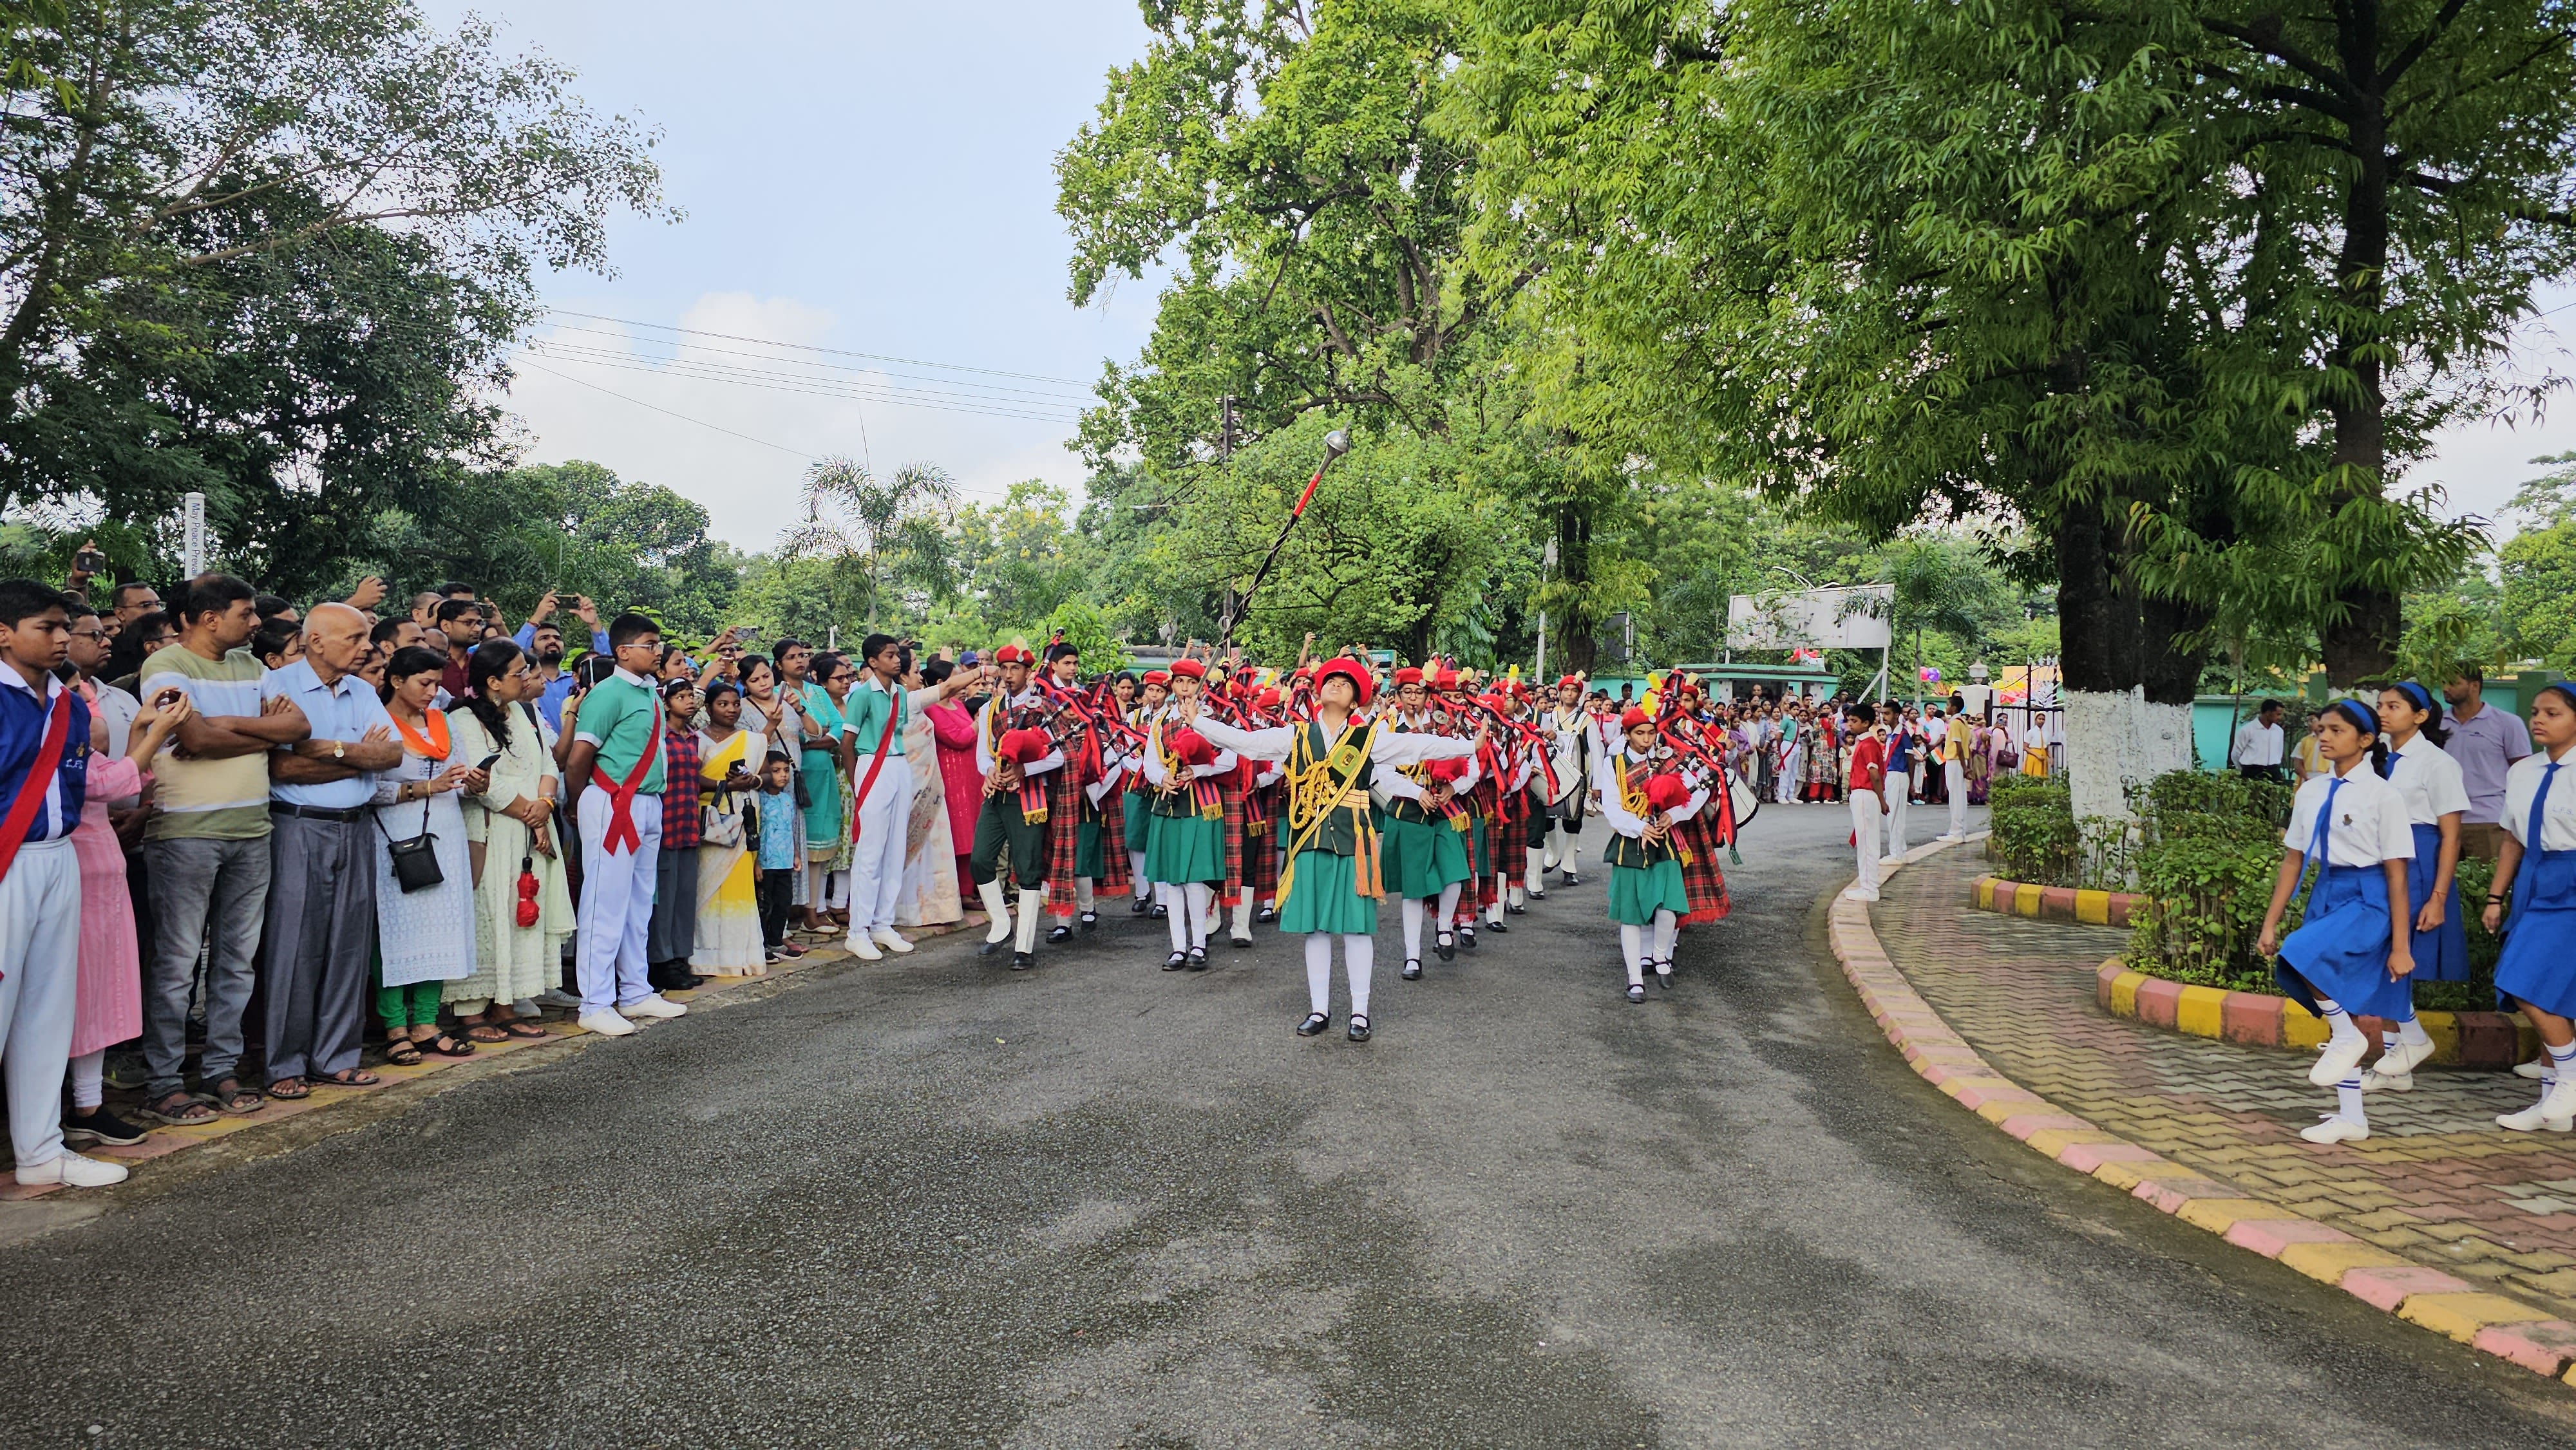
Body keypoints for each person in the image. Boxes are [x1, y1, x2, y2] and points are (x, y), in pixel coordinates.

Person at [1185, 658, 1479, 1042]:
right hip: (1310, 841)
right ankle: (1319, 1010)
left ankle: (1360, 1014)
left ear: (1355, 700)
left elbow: (1419, 744)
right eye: (1330, 681)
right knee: (1316, 930)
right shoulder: (1296, 735)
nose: (1335, 685)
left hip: (1354, 843)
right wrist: (1198, 722)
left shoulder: (1369, 738)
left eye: (1345, 683)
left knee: (1356, 930)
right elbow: (1248, 744)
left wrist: (1471, 744)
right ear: (1318, 693)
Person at [137, 574, 308, 1124]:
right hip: (185, 833)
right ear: (210, 618)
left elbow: (298, 726)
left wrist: (225, 724)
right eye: (246, 613)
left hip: (253, 830)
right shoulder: (165, 666)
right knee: (177, 965)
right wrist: (259, 730)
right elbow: (194, 739)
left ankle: (221, 1070)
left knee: (236, 963)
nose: (256, 623)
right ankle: (164, 1083)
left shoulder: (249, 666)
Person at [0, 581, 123, 1186]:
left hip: (59, 856)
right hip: (8, 863)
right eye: (46, 627)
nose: (60, 639)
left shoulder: (70, 706)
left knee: (48, 1009)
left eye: (64, 628)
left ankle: (41, 1152)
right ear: (4, 633)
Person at [260, 604, 406, 1098]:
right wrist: (360, 756)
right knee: (294, 948)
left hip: (356, 827)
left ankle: (337, 1059)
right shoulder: (277, 687)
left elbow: (391, 755)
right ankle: (285, 1064)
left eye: (367, 637)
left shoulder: (361, 690)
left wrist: (328, 749)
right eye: (355, 638)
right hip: (298, 827)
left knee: (348, 947)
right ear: (317, 641)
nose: (367, 647)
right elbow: (282, 768)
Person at [2255, 699, 2414, 1145]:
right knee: (2341, 1005)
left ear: (2366, 740)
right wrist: (2270, 922)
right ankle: (2352, 1117)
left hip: (2369, 896)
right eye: (2321, 729)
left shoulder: (2383, 795)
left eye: (2336, 730)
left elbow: (2398, 874)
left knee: (2301, 954)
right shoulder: (2311, 791)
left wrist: (2401, 946)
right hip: (2328, 890)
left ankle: (2347, 1037)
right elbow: (2293, 860)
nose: (2324, 737)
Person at [562, 614, 688, 1038]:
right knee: (605, 903)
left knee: (639, 903)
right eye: (650, 644)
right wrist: (579, 806)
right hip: (613, 802)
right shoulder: (607, 694)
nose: (658, 651)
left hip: (648, 802)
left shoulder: (650, 691)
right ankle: (595, 1003)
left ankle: (635, 991)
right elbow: (578, 760)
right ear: (623, 651)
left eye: (658, 644)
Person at [446, 639, 570, 1039]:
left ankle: (506, 1006)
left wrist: (545, 805)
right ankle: (471, 1013)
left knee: (523, 915)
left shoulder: (523, 710)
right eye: (519, 673)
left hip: (532, 829)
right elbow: (483, 780)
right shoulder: (462, 719)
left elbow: (548, 763)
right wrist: (533, 816)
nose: (528, 678)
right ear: (493, 682)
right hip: (492, 831)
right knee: (490, 914)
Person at [2354, 682, 2470, 1095]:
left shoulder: (2438, 764)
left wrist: (2439, 897)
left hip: (2418, 862)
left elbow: (2451, 836)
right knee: (2380, 956)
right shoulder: (2375, 758)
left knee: (2393, 956)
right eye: (2380, 705)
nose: (2383, 712)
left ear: (2420, 716)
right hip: (2379, 859)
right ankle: (2397, 1063)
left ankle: (2409, 1046)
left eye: (2394, 706)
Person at [369, 646, 483, 1061]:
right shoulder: (377, 722)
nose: (434, 692)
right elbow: (368, 788)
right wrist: (424, 788)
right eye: (425, 683)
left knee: (441, 930)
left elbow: (459, 779)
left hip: (445, 834)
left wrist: (474, 782)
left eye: (437, 683)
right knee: (395, 933)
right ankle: (395, 1026)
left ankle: (427, 1024)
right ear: (397, 680)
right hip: (396, 837)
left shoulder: (442, 722)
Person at [2484, 683, 2576, 1131]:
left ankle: (2570, 1078)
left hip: (2571, 883)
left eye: (2552, 713)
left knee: (2527, 981)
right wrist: (2495, 897)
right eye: (2536, 711)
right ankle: (2551, 1107)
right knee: (2540, 986)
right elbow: (2513, 839)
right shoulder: (2523, 771)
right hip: (2534, 882)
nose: (2538, 719)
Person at [1596, 707, 1709, 1001]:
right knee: (1631, 917)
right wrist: (1639, 827)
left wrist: (1675, 814)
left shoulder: (1667, 759)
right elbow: (1612, 807)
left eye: (1650, 733)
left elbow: (1701, 788)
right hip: (1630, 845)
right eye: (1639, 734)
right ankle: (1635, 980)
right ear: (1627, 735)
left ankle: (1660, 956)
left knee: (1669, 907)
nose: (1646, 740)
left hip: (1665, 842)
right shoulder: (1614, 764)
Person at [968, 644, 1063, 970]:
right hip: (997, 795)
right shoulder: (990, 708)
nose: (1009, 675)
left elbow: (1060, 755)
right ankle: (1001, 924)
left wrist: (1025, 769)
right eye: (1004, 669)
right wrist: (990, 771)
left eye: (1015, 669)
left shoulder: (1045, 707)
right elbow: (983, 754)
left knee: (1027, 869)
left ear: (1028, 672)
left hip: (1030, 798)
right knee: (980, 861)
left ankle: (1024, 946)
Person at [840, 633, 920, 962]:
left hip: (899, 765)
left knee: (895, 849)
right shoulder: (861, 695)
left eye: (897, 655)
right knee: (870, 853)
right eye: (889, 655)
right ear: (873, 661)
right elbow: (847, 744)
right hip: (872, 765)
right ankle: (857, 932)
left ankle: (882, 924)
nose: (897, 660)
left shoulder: (900, 693)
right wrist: (857, 785)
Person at [692, 679, 766, 974]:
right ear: (708, 709)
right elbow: (691, 778)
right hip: (712, 819)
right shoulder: (697, 740)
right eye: (723, 704)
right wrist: (724, 784)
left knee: (740, 886)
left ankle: (739, 956)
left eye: (736, 704)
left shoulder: (752, 740)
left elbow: (765, 776)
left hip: (743, 818)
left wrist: (752, 781)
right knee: (707, 887)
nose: (731, 710)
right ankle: (706, 957)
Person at [647, 678, 705, 994]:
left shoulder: (693, 737)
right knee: (664, 898)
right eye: (680, 697)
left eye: (690, 696)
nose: (688, 701)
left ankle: (681, 956)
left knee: (684, 896)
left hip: (688, 822)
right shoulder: (660, 737)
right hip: (665, 823)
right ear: (666, 703)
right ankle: (662, 960)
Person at [2443, 667, 2534, 862]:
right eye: (2444, 682)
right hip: (2443, 820)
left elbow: (2523, 774)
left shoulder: (2508, 723)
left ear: (2474, 686)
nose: (2445, 688)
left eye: (2453, 683)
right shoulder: (2436, 724)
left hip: (2488, 820)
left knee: (2488, 878)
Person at [922, 659, 983, 912]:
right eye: (957, 677)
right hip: (951, 778)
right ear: (940, 683)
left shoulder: (957, 705)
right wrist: (980, 722)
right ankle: (955, 892)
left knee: (972, 834)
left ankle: (968, 891)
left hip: (970, 776)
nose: (963, 684)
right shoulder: (932, 709)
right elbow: (958, 738)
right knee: (957, 835)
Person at [754, 752, 802, 962]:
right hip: (766, 863)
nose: (783, 775)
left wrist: (796, 854)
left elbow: (788, 829)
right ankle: (761, 945)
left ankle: (776, 942)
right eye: (776, 771)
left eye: (786, 770)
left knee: (783, 903)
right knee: (764, 905)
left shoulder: (786, 800)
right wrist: (756, 862)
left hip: (784, 862)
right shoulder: (758, 800)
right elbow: (756, 831)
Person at [1844, 703, 1886, 903]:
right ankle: (1867, 886)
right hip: (1863, 794)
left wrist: (1882, 800)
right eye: (1849, 721)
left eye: (1854, 721)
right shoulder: (1865, 742)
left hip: (1865, 793)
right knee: (1866, 841)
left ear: (1866, 723)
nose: (1850, 725)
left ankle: (1869, 888)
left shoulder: (1868, 744)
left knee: (1867, 843)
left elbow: (1874, 775)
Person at [1880, 703, 1913, 862]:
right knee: (1895, 814)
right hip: (1892, 774)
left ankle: (1896, 853)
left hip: (1899, 774)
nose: (1884, 717)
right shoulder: (1891, 735)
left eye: (1887, 713)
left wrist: (1911, 782)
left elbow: (1910, 758)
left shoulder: (1903, 735)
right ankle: (1900, 850)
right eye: (1883, 713)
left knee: (1894, 814)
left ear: (1896, 715)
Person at [1941, 695, 1973, 840]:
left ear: (1953, 708)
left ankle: (1956, 831)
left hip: (1955, 761)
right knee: (1960, 797)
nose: (1946, 707)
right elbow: (1967, 747)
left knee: (1955, 797)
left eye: (1948, 705)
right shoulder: (1964, 722)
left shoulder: (1955, 723)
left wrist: (1965, 767)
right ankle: (1960, 830)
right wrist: (1967, 766)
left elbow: (1959, 746)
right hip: (1961, 761)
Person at [2232, 699, 2287, 782]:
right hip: (2252, 771)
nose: (2280, 718)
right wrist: (2243, 769)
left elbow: (2279, 752)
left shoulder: (2279, 731)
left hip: (2274, 771)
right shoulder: (2247, 730)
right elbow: (2236, 754)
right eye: (2278, 714)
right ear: (2268, 713)